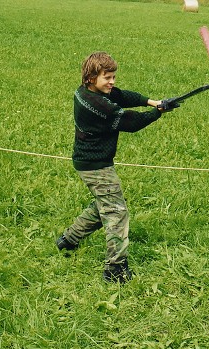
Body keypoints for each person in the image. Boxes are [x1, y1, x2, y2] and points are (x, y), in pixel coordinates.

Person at [57, 51, 177, 283]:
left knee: (105, 203)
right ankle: (115, 269)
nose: (112, 82)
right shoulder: (97, 105)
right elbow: (131, 123)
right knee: (116, 212)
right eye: (107, 78)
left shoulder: (84, 92)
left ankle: (69, 240)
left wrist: (153, 101)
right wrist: (157, 112)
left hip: (90, 161)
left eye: (113, 77)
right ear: (91, 77)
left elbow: (122, 96)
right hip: (95, 165)